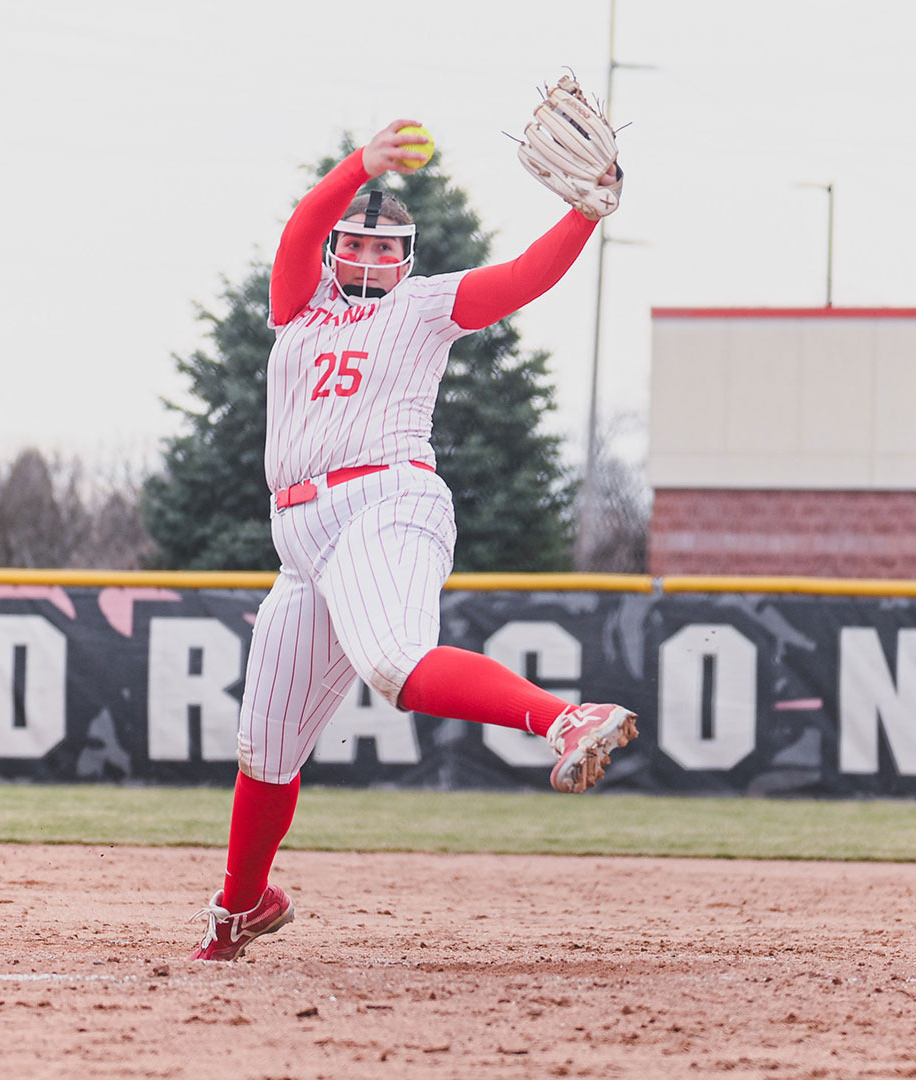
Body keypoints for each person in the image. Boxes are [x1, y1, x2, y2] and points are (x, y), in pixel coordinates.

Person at [190, 117, 635, 962]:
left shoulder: (424, 307)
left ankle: (568, 719)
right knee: (266, 745)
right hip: (301, 543)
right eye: (353, 244)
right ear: (333, 251)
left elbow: (518, 281)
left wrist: (582, 215)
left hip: (386, 500)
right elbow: (295, 231)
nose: (366, 260)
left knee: (394, 662)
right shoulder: (298, 313)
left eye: (384, 248)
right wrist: (357, 164)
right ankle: (242, 904)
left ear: (407, 257)